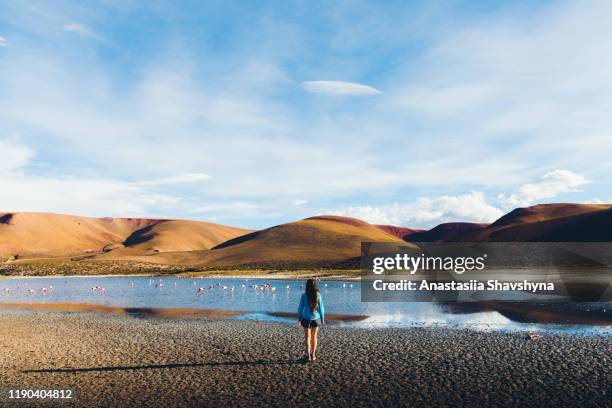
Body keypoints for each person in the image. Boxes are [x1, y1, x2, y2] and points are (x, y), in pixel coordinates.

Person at [297, 279, 325, 361]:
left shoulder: (304, 295)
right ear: (315, 285)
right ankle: (313, 355)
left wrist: (299, 318)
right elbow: (321, 309)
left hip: (306, 319)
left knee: (307, 337)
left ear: (307, 286)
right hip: (316, 319)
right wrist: (322, 319)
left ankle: (308, 356)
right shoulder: (318, 295)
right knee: (314, 337)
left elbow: (300, 308)